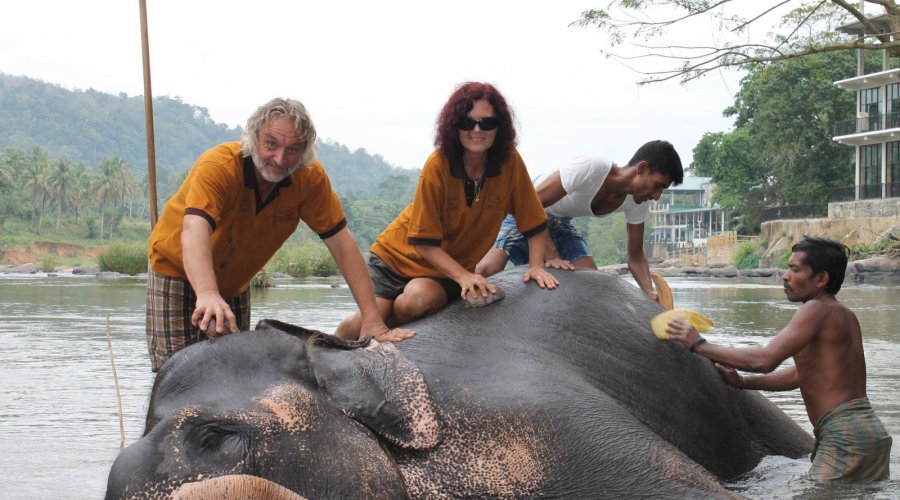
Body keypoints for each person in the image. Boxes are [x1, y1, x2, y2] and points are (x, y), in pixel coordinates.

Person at [146, 97, 411, 372]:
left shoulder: (309, 179)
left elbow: (342, 244)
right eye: (271, 144)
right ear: (253, 138)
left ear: (304, 151)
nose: (280, 159)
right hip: (176, 269)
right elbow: (194, 229)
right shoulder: (220, 165)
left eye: (292, 149)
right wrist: (208, 293)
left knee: (233, 372)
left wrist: (372, 319)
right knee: (176, 372)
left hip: (233, 281)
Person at [334, 82, 563, 340]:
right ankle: (331, 341)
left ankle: (387, 321)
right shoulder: (438, 165)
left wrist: (536, 266)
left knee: (418, 301)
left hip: (443, 268)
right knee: (360, 325)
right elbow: (422, 242)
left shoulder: (509, 163)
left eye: (486, 123)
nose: (477, 130)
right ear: (455, 126)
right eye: (468, 122)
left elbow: (533, 221)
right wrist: (464, 276)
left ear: (499, 127)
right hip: (395, 258)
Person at [665, 237, 892, 483]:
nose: (785, 276)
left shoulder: (815, 309)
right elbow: (799, 375)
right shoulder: (844, 315)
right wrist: (742, 382)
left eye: (795, 269)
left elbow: (765, 360)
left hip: (845, 435)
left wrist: (700, 345)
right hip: (870, 433)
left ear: (821, 279)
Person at [475, 140, 683, 302]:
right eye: (658, 185)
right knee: (488, 270)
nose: (656, 196)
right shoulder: (592, 167)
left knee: (592, 280)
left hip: (561, 223)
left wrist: (648, 293)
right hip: (527, 209)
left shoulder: (639, 201)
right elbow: (530, 205)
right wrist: (551, 254)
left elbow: (636, 256)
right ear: (642, 168)